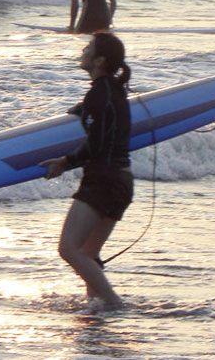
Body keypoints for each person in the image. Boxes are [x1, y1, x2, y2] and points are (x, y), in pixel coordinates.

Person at [40, 33, 133, 308]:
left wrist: (65, 161)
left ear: (100, 60)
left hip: (102, 181)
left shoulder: (99, 94)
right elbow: (105, 126)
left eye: (89, 47)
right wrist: (81, 110)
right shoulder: (114, 90)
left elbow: (97, 144)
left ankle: (115, 304)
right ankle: (97, 309)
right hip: (122, 181)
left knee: (69, 249)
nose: (83, 50)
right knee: (89, 253)